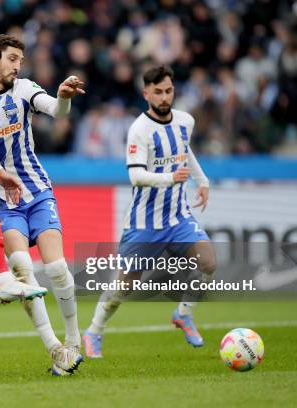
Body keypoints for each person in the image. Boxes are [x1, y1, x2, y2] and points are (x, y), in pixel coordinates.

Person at [0, 34, 85, 376]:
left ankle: (74, 340)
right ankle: (55, 349)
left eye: (20, 60)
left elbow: (54, 107)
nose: (17, 66)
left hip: (36, 192)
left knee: (59, 268)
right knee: (22, 269)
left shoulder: (23, 89)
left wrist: (63, 99)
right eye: (12, 59)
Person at [82, 65, 216, 358]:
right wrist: (171, 178)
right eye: (158, 92)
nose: (164, 96)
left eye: (168, 90)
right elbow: (136, 176)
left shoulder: (185, 121)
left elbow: (185, 151)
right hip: (145, 222)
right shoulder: (139, 130)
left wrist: (202, 180)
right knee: (125, 285)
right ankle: (93, 331)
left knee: (207, 261)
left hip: (178, 217)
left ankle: (183, 314)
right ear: (146, 94)